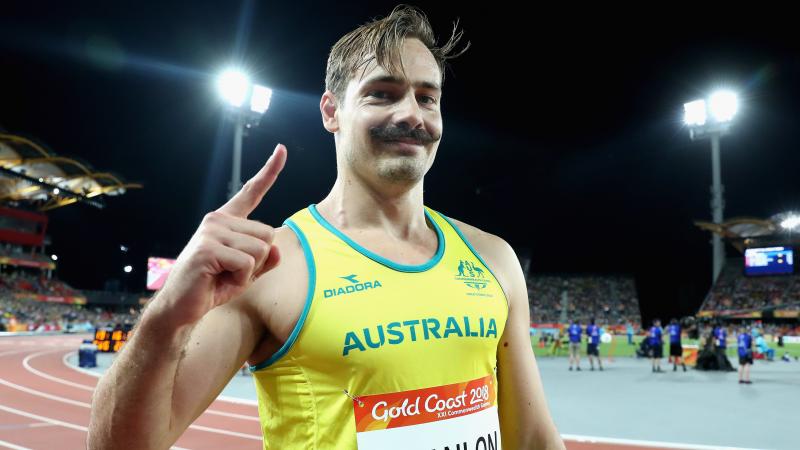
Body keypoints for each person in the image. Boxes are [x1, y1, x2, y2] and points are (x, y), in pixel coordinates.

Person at [87, 6, 564, 450]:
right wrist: (167, 315)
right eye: (382, 93)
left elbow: (534, 439)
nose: (411, 114)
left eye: (427, 98)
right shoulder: (269, 266)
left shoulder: (492, 258)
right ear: (331, 111)